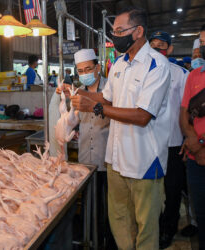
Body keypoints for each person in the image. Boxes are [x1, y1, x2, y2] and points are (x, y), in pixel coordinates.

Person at [68, 6, 171, 249]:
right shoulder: (119, 65)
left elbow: (143, 115)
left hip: (144, 159)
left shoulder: (156, 65)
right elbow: (106, 98)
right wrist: (80, 93)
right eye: (113, 31)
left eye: (119, 31)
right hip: (115, 160)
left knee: (146, 226)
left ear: (138, 31)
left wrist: (94, 108)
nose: (114, 36)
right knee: (119, 221)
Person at [149, 31, 190, 249]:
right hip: (149, 143)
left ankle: (169, 229)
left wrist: (187, 136)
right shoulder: (144, 71)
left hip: (173, 142)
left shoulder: (181, 74)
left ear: (170, 49)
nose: (157, 48)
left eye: (161, 45)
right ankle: (153, 227)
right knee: (151, 192)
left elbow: (187, 109)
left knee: (172, 191)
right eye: (153, 45)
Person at [73, 49, 115, 249]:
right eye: (81, 71)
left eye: (88, 69)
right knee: (90, 204)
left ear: (98, 67)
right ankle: (91, 239)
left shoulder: (111, 89)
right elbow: (73, 121)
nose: (85, 73)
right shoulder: (76, 92)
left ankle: (109, 242)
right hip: (86, 158)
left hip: (106, 157)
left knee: (110, 207)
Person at [180, 28, 205, 250]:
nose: (202, 51)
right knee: (201, 214)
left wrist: (201, 143)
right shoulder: (193, 76)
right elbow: (184, 114)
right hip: (196, 157)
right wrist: (194, 143)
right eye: (200, 46)